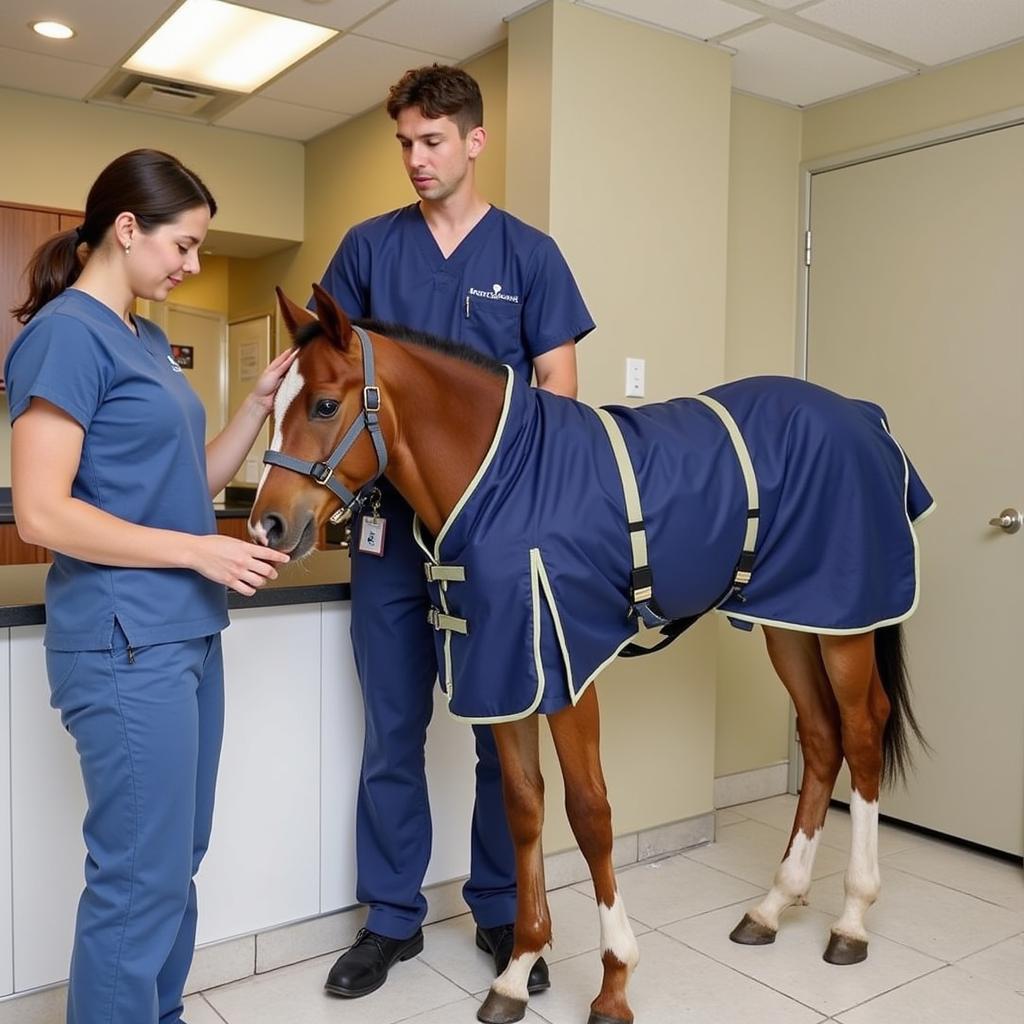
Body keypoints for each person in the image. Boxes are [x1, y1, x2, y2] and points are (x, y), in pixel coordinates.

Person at [317, 65, 595, 998]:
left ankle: (502, 908)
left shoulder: (529, 257)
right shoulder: (368, 249)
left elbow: (559, 392)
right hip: (391, 537)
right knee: (393, 728)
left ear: (474, 141)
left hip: (493, 544)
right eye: (404, 142)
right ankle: (392, 919)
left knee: (497, 733)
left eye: (431, 141)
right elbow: (323, 368)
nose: (416, 159)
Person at [5, 148, 294, 1024]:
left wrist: (254, 407)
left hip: (185, 635)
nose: (193, 265)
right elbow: (43, 515)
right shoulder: (63, 334)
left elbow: (181, 486)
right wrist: (201, 554)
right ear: (126, 229)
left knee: (175, 858)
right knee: (138, 874)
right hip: (125, 641)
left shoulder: (138, 339)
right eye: (185, 244)